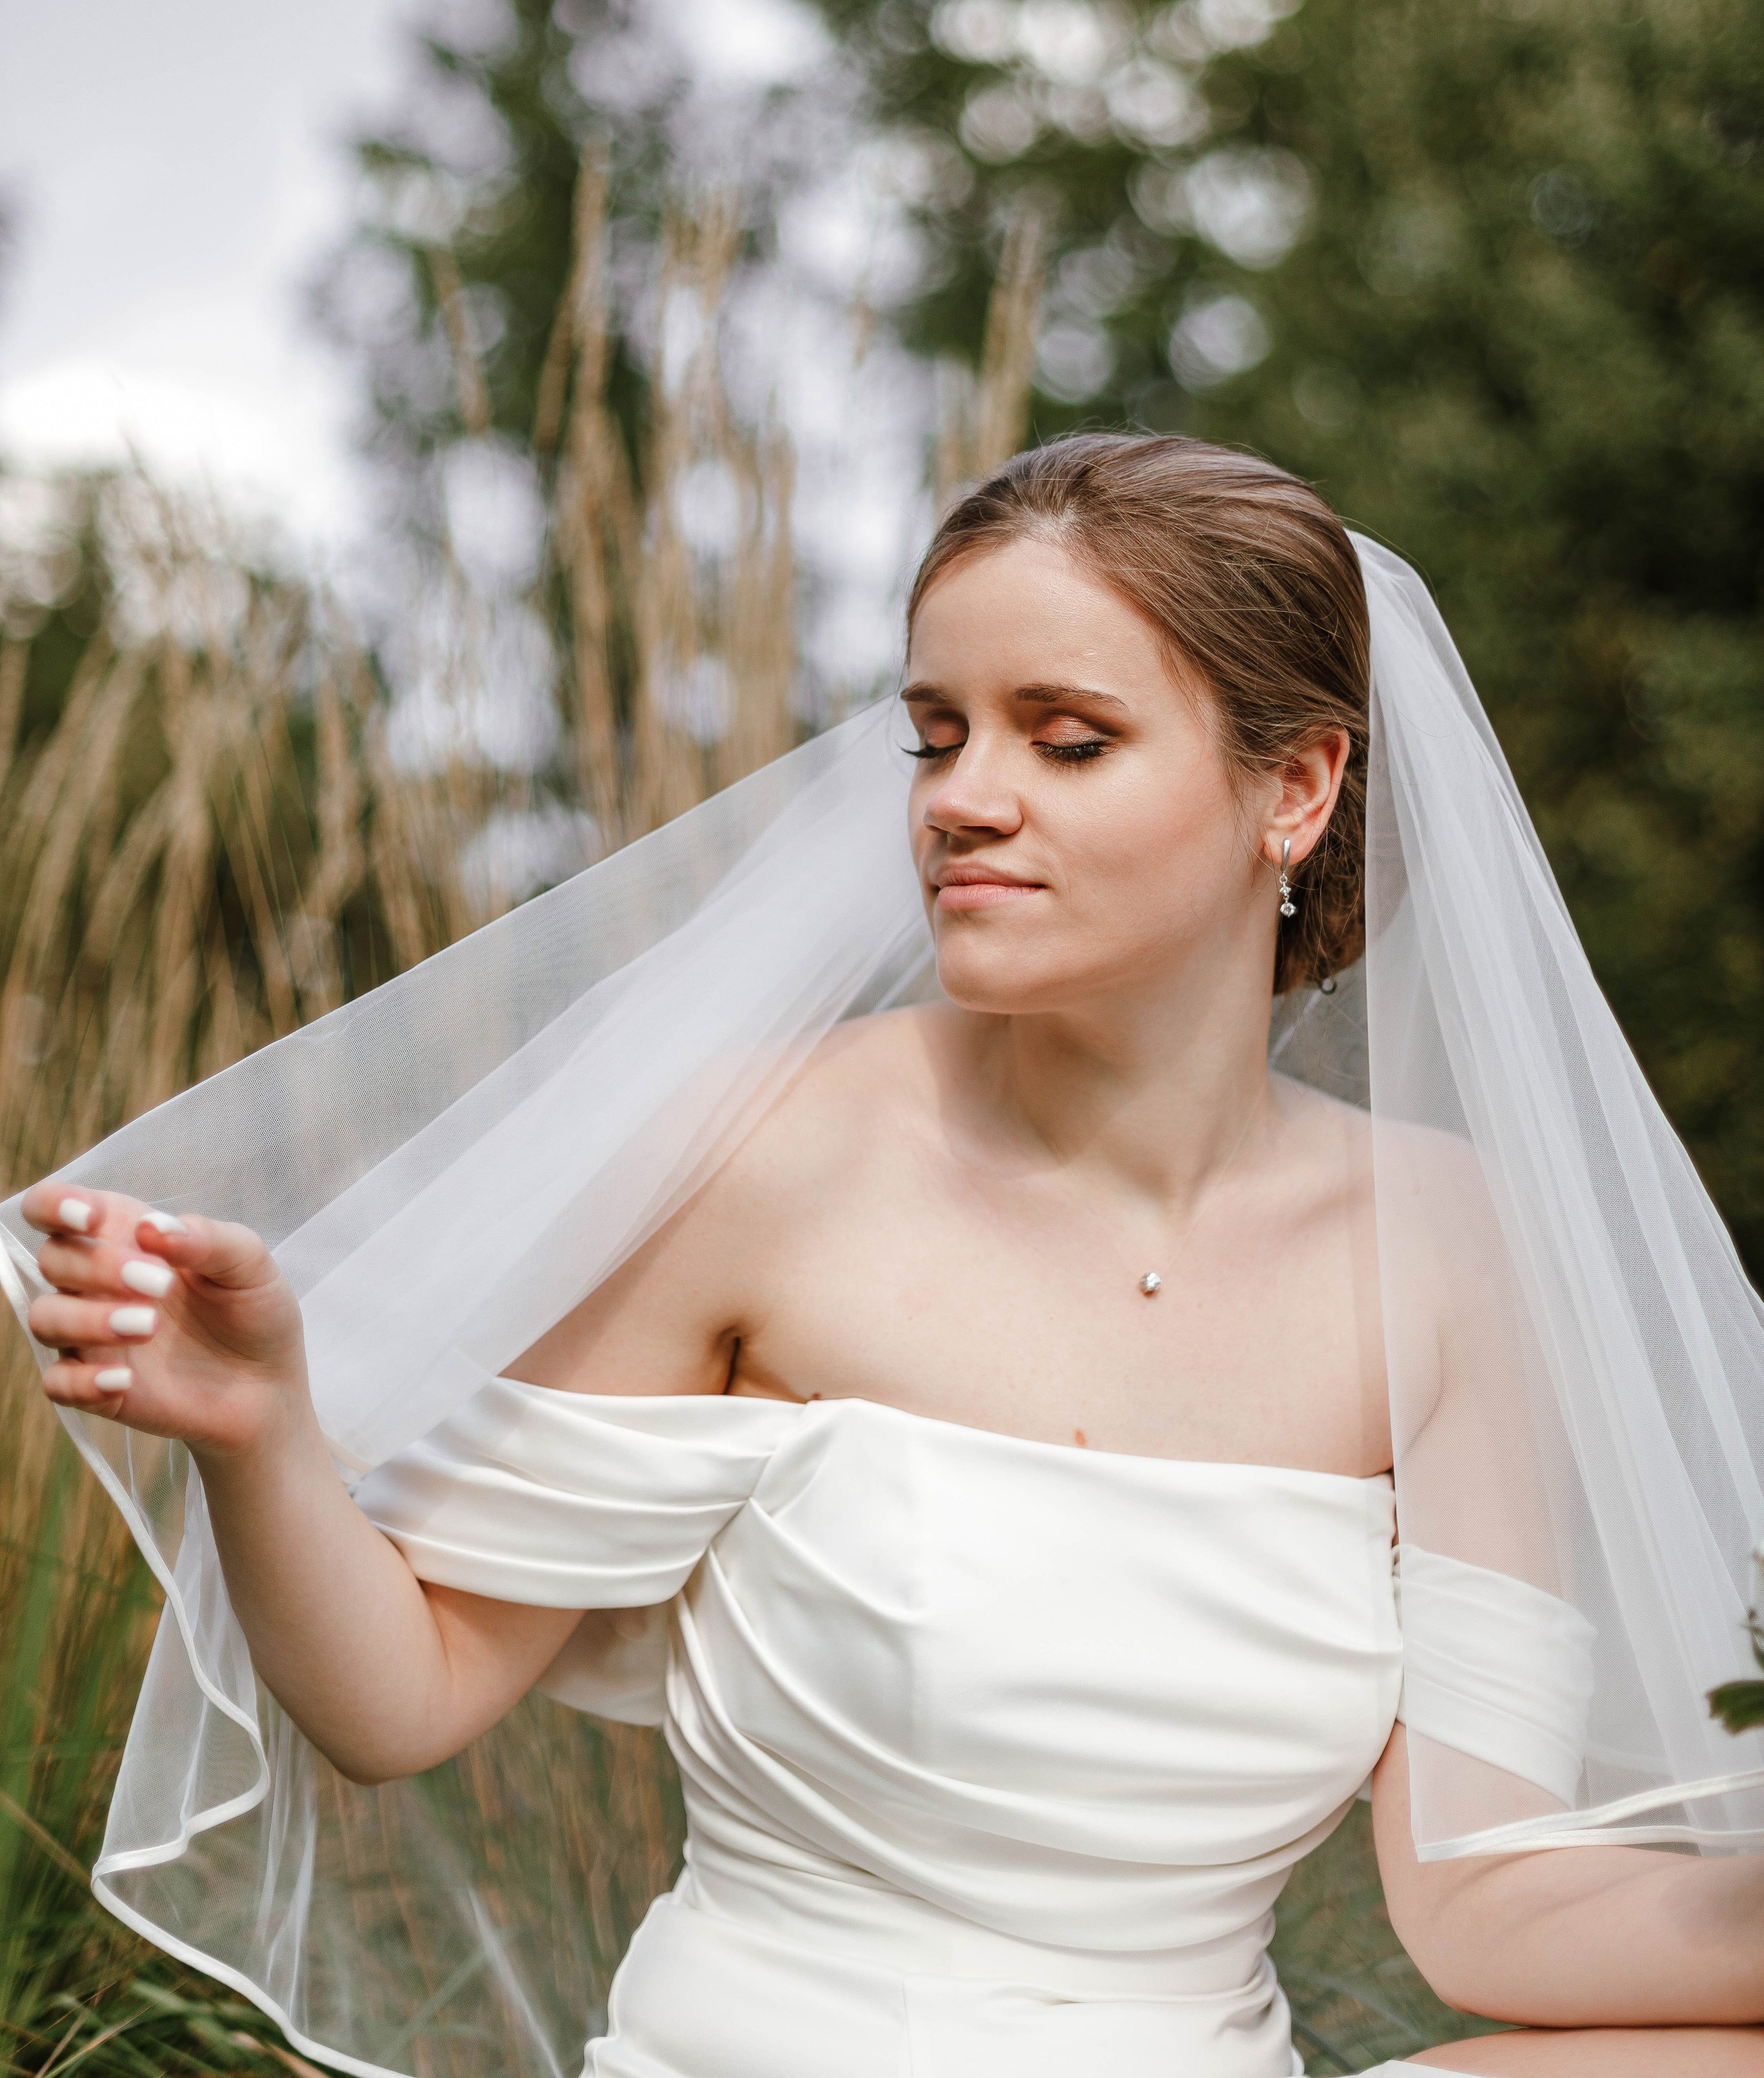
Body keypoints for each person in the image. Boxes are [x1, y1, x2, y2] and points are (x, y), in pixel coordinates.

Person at [10, 436, 1764, 2078]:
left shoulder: (1439, 1249)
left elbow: (1490, 1900)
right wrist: (258, 1431)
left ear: (1292, 788)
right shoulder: (761, 1151)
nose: (961, 801)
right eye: (936, 735)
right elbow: (404, 1693)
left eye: (1062, 739)